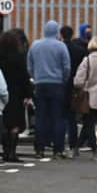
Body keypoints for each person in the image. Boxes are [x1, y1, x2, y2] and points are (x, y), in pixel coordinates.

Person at [28, 21, 70, 159]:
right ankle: (58, 149)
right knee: (57, 117)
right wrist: (62, 80)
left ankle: (39, 148)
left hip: (40, 84)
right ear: (57, 31)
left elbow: (29, 66)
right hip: (57, 84)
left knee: (41, 117)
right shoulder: (61, 46)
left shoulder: (35, 45)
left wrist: (36, 77)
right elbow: (66, 67)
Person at [0, 30, 32, 163]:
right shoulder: (19, 57)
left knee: (5, 124)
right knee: (15, 124)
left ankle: (5, 152)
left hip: (2, 93)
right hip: (16, 94)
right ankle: (12, 152)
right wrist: (28, 94)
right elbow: (24, 77)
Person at [60, 26, 87, 154]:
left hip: (60, 84)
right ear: (72, 35)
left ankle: (58, 144)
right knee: (72, 117)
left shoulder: (59, 49)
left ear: (61, 34)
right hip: (74, 86)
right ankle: (73, 144)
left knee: (59, 116)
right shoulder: (80, 51)